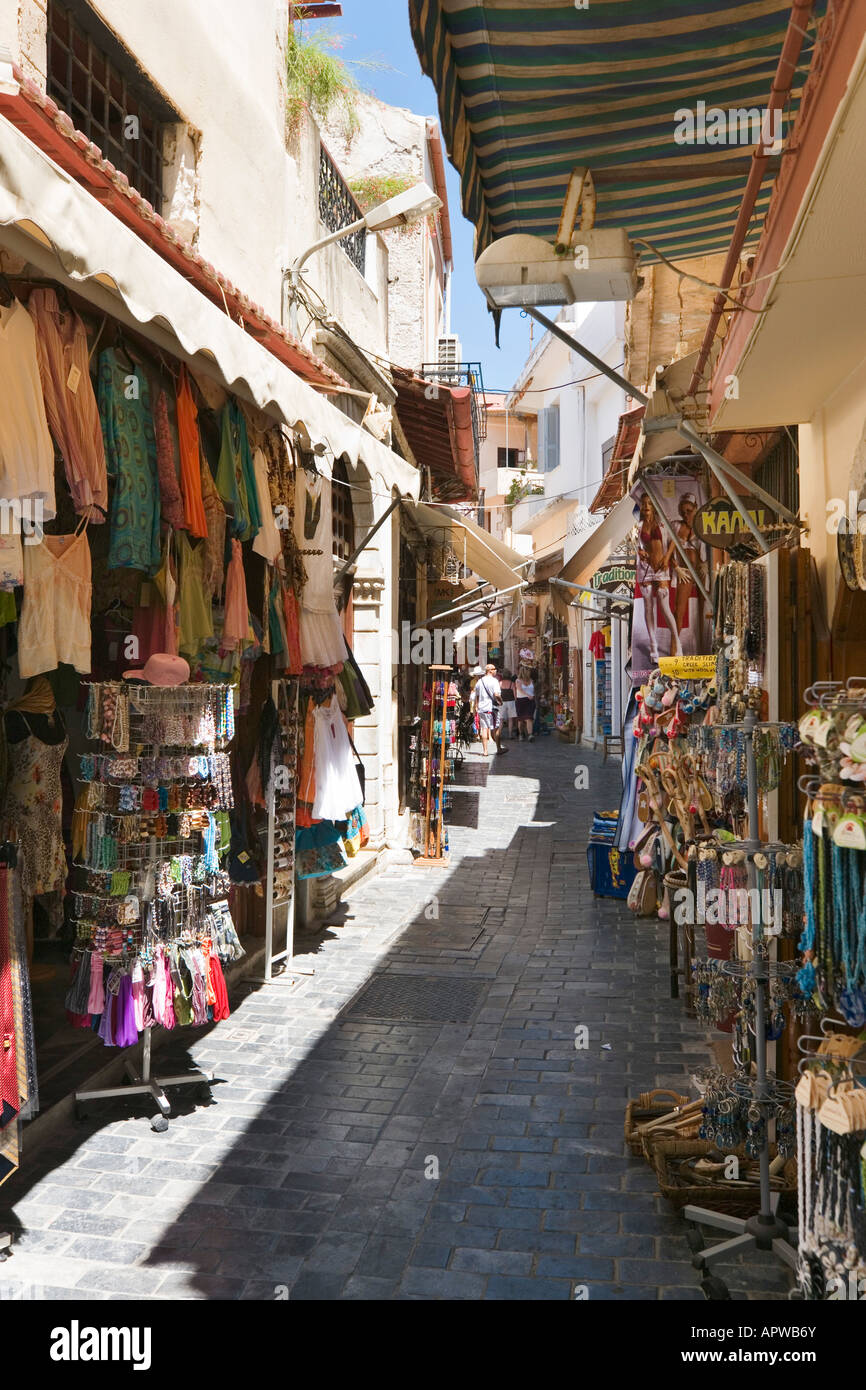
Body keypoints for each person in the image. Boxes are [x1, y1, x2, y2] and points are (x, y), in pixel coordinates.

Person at [636, 493, 682, 663]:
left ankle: (677, 642)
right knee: (649, 607)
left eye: (649, 503)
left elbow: (673, 541)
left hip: (661, 568)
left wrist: (667, 558)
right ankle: (654, 646)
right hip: (645, 569)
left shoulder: (663, 523)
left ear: (654, 505)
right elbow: (637, 547)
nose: (646, 506)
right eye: (644, 503)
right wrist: (640, 552)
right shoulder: (639, 526)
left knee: (665, 608)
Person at [672, 492, 707, 652]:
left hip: (698, 569)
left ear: (695, 509)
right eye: (683, 511)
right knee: (679, 610)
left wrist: (704, 566)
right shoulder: (678, 526)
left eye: (689, 511)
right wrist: (676, 567)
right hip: (684, 571)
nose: (686, 515)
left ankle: (701, 647)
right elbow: (668, 550)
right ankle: (674, 648)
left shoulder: (702, 527)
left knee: (702, 608)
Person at [472, 663, 507, 757]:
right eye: (495, 669)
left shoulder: (480, 681)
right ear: (490, 670)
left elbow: (477, 695)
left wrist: (477, 705)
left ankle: (485, 751)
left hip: (482, 708)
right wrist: (500, 701)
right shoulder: (494, 681)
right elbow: (496, 694)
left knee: (484, 728)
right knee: (496, 728)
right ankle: (499, 748)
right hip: (492, 708)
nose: (496, 671)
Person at [514, 666, 536, 741]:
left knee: (529, 718)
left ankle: (530, 735)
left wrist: (533, 696)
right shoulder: (518, 681)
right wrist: (528, 695)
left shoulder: (531, 680)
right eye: (528, 671)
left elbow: (533, 690)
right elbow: (519, 689)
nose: (530, 672)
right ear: (525, 672)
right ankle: (521, 734)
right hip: (521, 701)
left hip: (530, 701)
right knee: (521, 719)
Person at [499, 669, 517, 739]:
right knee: (510, 719)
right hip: (511, 702)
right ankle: (510, 734)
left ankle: (499, 734)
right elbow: (515, 694)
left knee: (501, 719)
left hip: (502, 702)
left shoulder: (500, 683)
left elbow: (498, 693)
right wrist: (516, 700)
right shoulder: (512, 683)